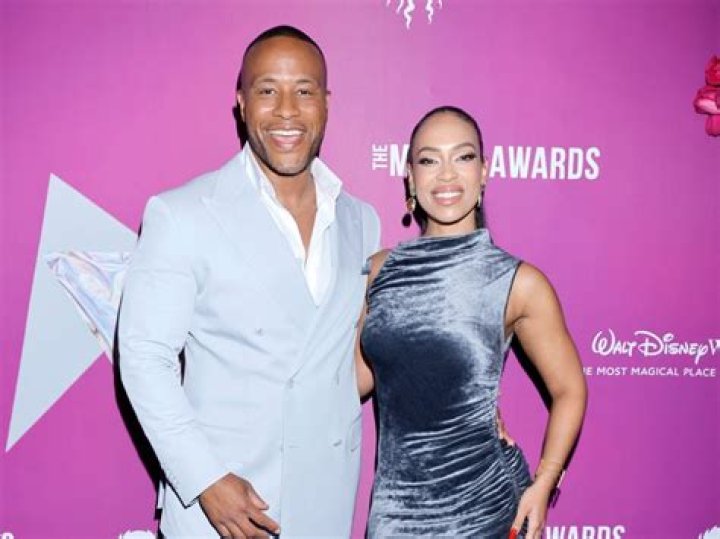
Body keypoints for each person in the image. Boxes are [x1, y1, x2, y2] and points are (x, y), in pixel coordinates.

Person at [118, 26, 380, 538]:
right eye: (267, 90)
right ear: (241, 103)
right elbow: (144, 358)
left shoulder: (360, 220)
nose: (287, 111)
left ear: (326, 104)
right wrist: (206, 480)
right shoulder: (183, 214)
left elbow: (346, 365)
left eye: (304, 91)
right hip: (223, 511)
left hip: (325, 505)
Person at [356, 106, 587, 539]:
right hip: (394, 510)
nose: (446, 175)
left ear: (484, 172)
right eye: (429, 160)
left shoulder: (517, 282)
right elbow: (354, 381)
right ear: (410, 177)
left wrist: (544, 482)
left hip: (484, 508)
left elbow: (570, 389)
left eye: (462, 157)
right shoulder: (380, 271)